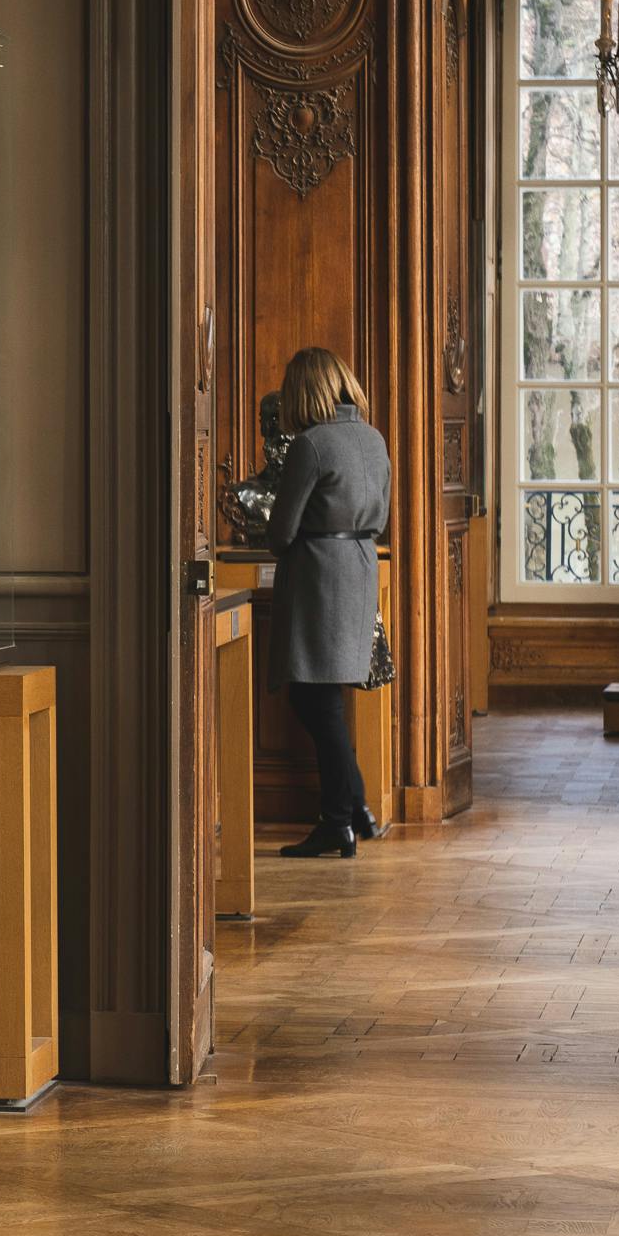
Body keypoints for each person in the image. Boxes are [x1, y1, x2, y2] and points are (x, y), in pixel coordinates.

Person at [266, 347, 391, 859]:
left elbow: (281, 531)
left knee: (313, 699)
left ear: (304, 391)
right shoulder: (373, 438)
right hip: (360, 567)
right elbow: (382, 513)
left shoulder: (311, 444)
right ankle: (348, 814)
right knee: (324, 699)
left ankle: (345, 816)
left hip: (319, 574)